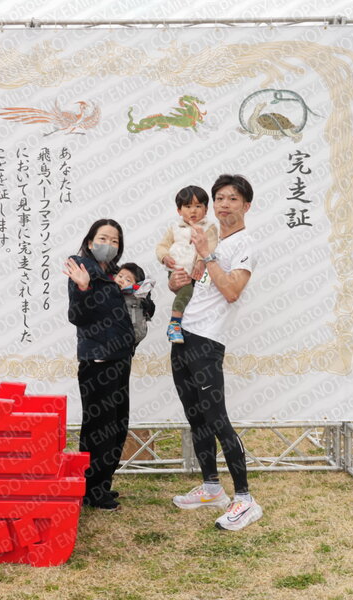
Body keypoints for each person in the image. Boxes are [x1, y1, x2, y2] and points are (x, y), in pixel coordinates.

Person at [168, 174, 263, 531]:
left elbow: (232, 291)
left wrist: (208, 255)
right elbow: (195, 284)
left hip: (208, 341)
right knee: (196, 416)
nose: (224, 204)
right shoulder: (211, 237)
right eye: (220, 198)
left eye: (233, 198)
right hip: (183, 336)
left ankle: (245, 499)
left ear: (246, 205)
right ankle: (211, 487)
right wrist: (176, 281)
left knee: (218, 419)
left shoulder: (244, 243)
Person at [63, 219, 135, 511]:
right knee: (98, 429)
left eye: (115, 241)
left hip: (120, 359)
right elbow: (77, 316)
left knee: (117, 425)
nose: (109, 244)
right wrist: (83, 288)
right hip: (97, 363)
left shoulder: (115, 274)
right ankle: (91, 490)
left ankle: (102, 485)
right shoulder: (82, 269)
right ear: (90, 242)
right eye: (103, 238)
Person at [155, 185, 219, 344]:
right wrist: (165, 257)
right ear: (179, 210)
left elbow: (210, 246)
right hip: (178, 270)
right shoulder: (175, 227)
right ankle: (174, 325)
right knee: (186, 291)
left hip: (199, 270)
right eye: (188, 206)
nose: (193, 211)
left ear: (206, 209)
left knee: (197, 298)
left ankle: (193, 329)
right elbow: (162, 246)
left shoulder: (209, 227)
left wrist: (200, 262)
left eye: (198, 206)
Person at [114, 262, 156, 349]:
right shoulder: (109, 291)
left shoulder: (134, 302)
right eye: (120, 276)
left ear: (137, 286)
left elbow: (138, 332)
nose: (121, 280)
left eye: (128, 280)